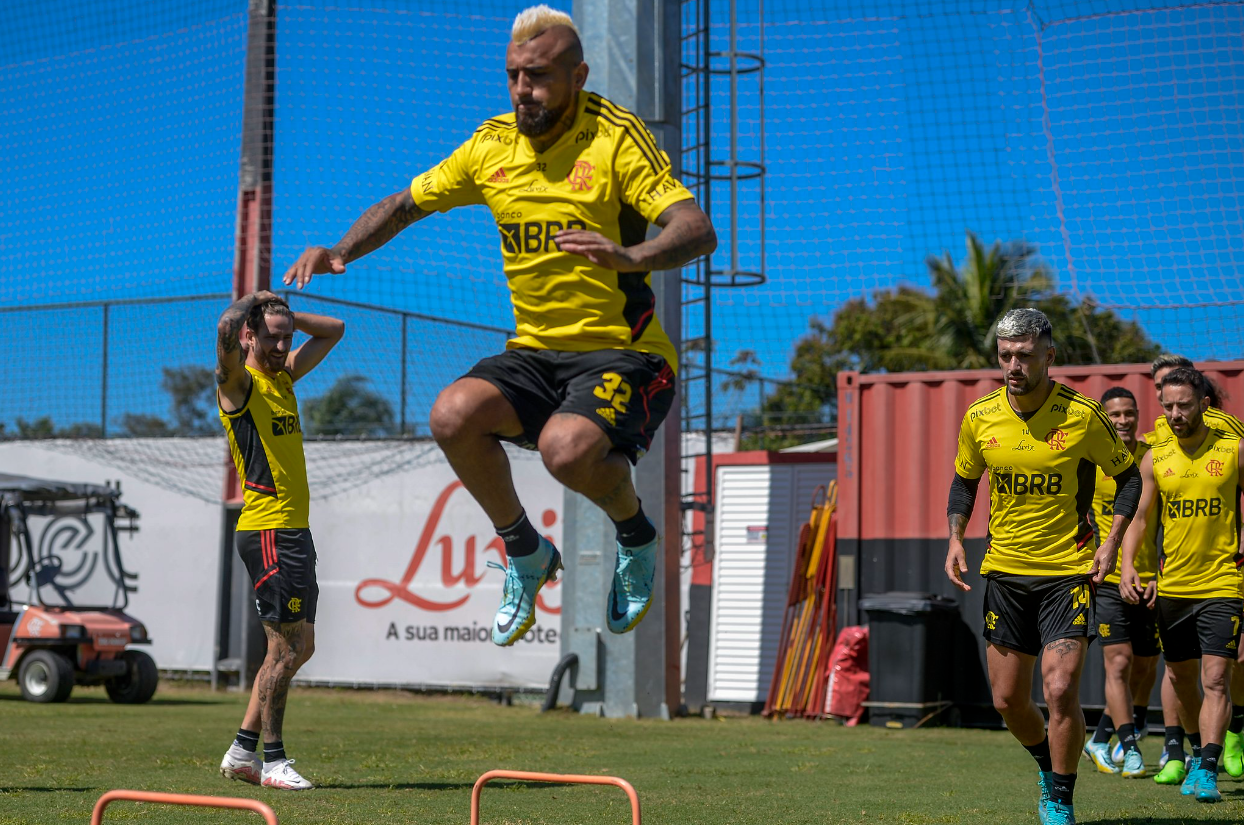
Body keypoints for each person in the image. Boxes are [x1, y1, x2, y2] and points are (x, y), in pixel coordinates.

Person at [282, 5, 715, 646]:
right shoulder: (492, 146)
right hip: (535, 352)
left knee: (564, 451)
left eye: (537, 77)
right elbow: (405, 204)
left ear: (578, 74)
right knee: (453, 413)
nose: (522, 91)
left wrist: (634, 255)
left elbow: (696, 229)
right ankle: (526, 551)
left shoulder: (615, 138)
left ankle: (637, 535)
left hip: (623, 354)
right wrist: (341, 250)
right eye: (513, 75)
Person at [944, 308, 1141, 825]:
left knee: (1058, 689)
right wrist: (955, 539)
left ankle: (1061, 797)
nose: (1014, 365)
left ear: (1049, 357)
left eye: (1025, 355)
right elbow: (965, 482)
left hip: (1068, 572)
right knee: (1008, 700)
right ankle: (1045, 763)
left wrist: (1111, 544)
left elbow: (1129, 480)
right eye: (1006, 355)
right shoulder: (980, 417)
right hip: (1005, 572)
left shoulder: (1082, 415)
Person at [215, 290, 345, 790]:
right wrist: (256, 300)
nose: (282, 344)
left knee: (299, 646)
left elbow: (333, 329)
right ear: (250, 335)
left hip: (293, 529)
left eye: (287, 336)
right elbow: (224, 331)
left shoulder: (284, 376)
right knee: (284, 648)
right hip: (267, 528)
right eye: (272, 336)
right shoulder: (239, 385)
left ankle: (242, 752)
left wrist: (284, 312)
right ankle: (272, 762)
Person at [1121, 367, 1243, 803]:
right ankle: (1196, 751)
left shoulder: (1234, 450)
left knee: (1215, 678)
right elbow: (1139, 517)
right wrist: (1127, 565)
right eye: (1168, 406)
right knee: (1181, 678)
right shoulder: (1156, 457)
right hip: (1173, 588)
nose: (1174, 413)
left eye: (1183, 405)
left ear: (1204, 406)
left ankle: (1208, 767)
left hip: (1223, 583)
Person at [1080, 387, 1159, 779]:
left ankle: (1098, 738)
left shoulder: (1153, 457)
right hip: (1105, 578)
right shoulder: (1090, 461)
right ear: (1104, 419)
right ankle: (1130, 749)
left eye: (1130, 413)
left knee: (1145, 668)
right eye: (1114, 415)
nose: (1123, 421)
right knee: (1120, 663)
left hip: (1151, 579)